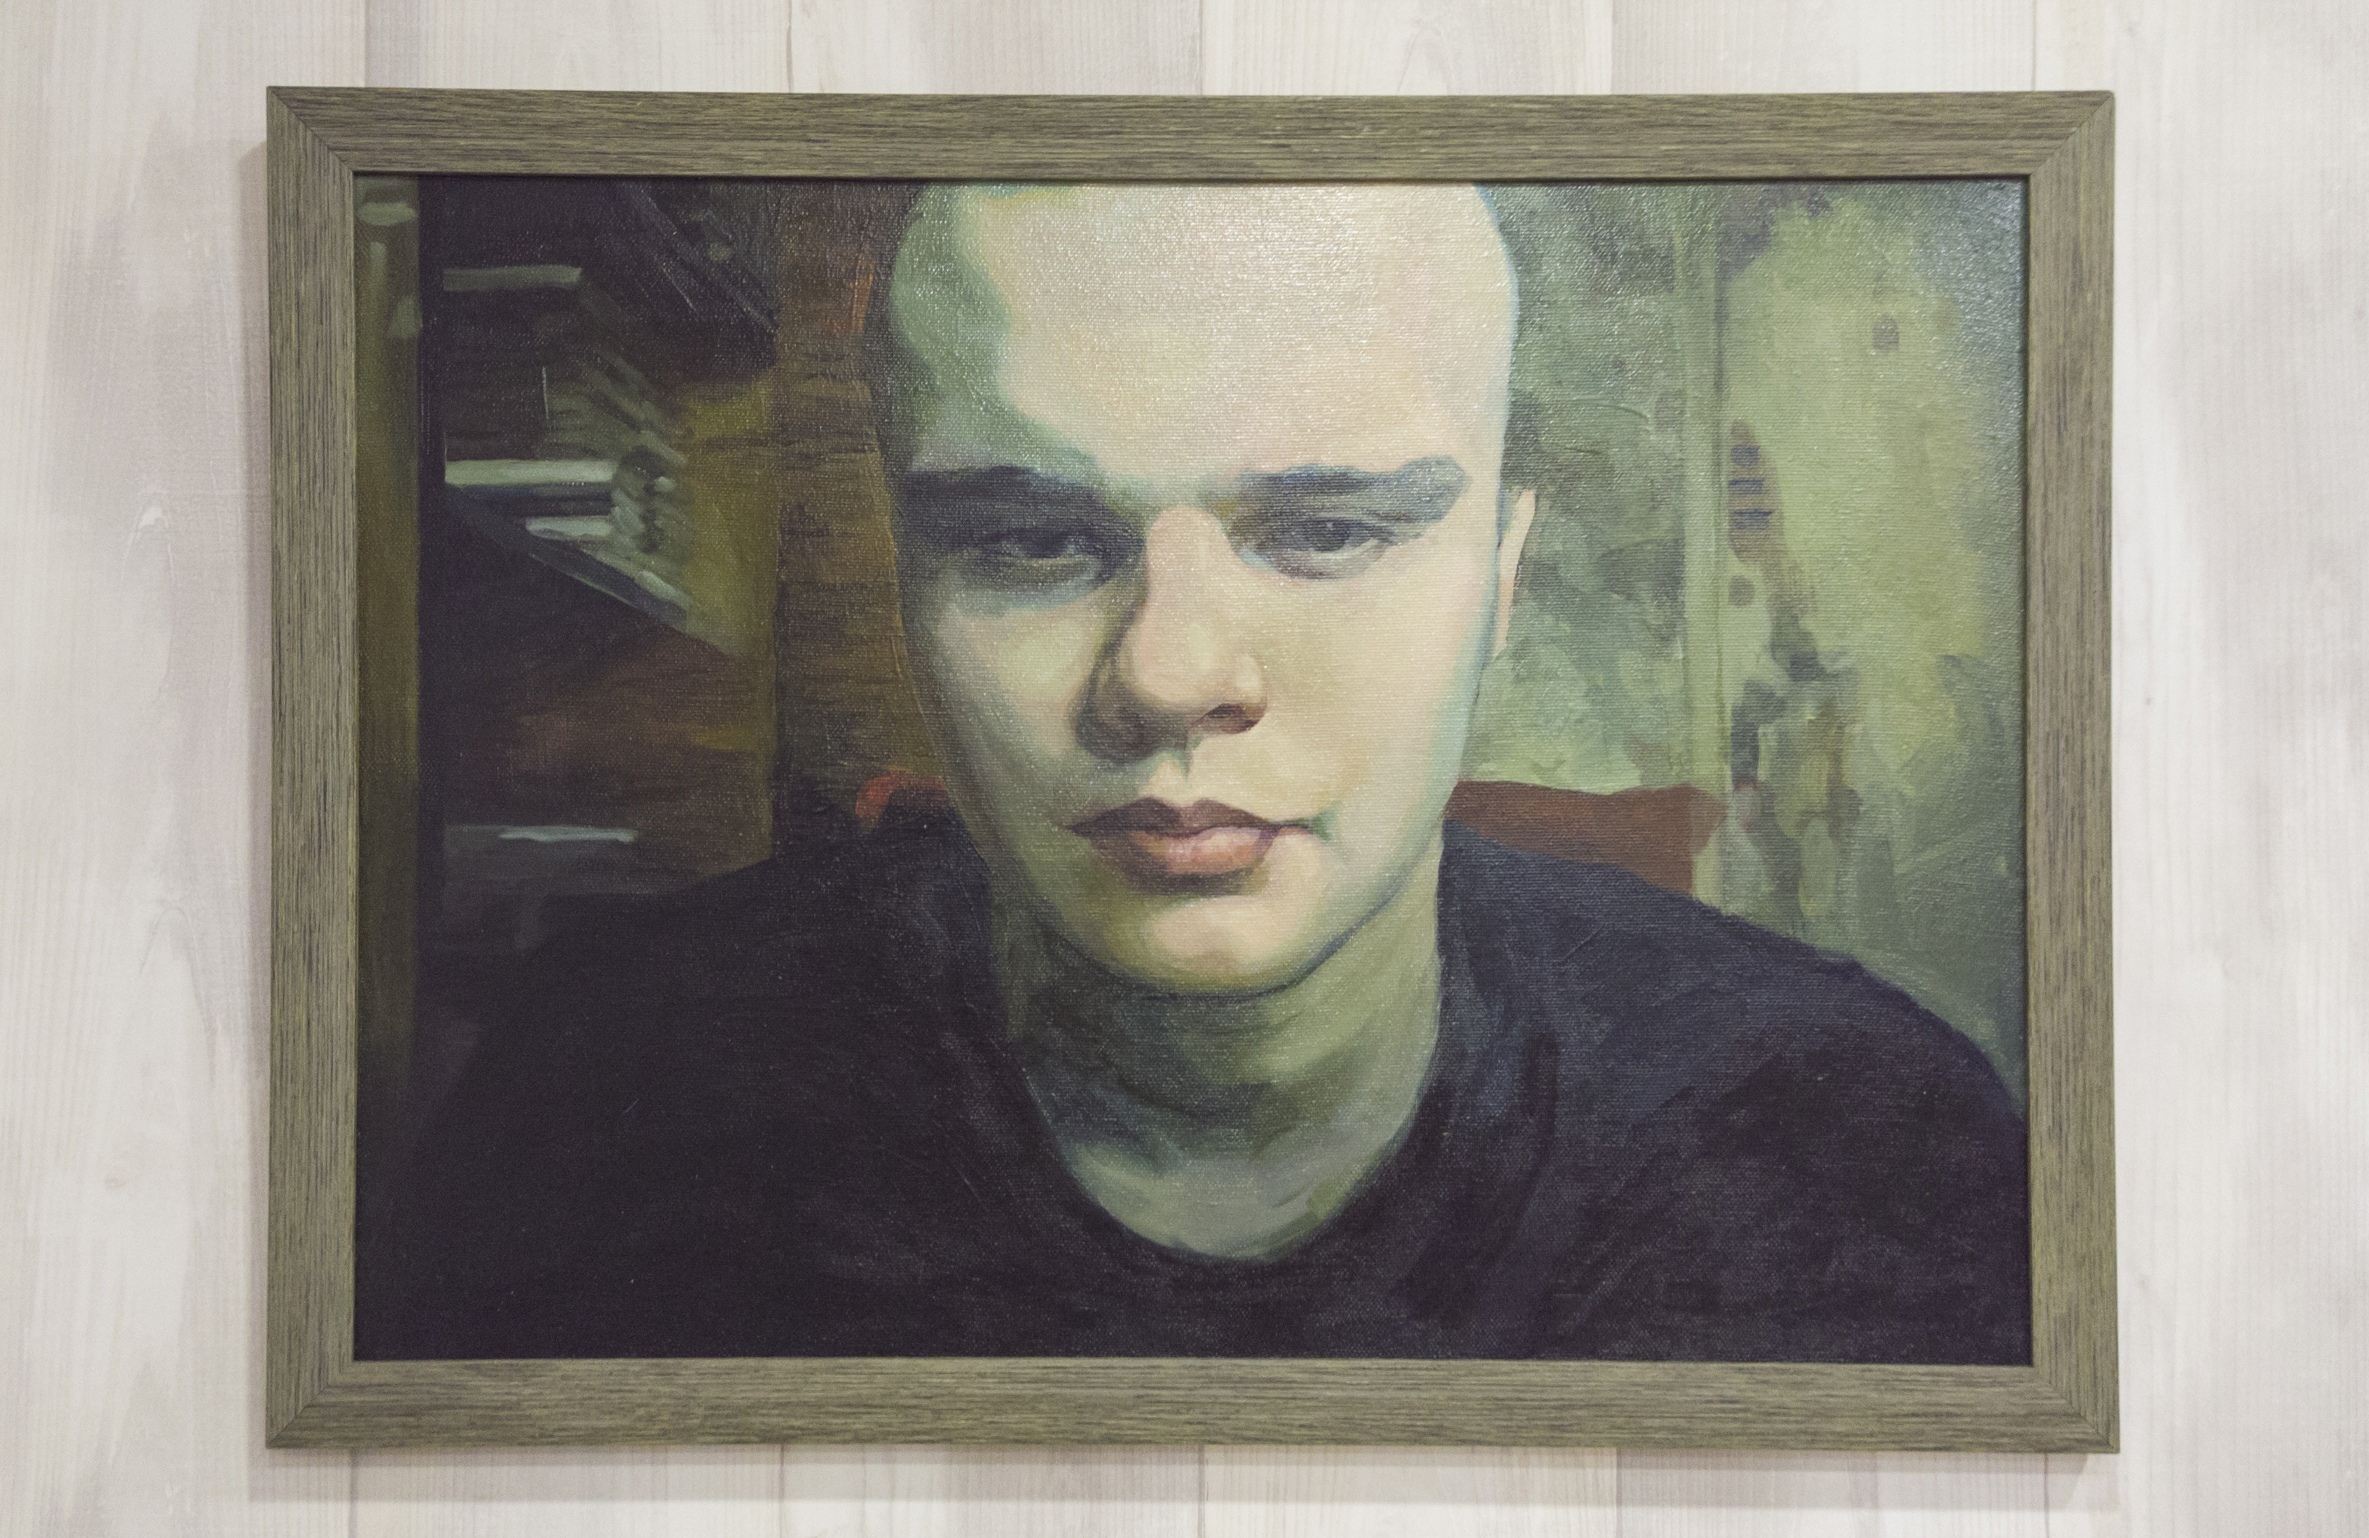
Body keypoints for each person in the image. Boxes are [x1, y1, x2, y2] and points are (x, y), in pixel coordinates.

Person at [369, 185, 2028, 1363]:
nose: (1168, 672)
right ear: (908, 580)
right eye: (1029, 539)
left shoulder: (1856, 1146)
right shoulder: (597, 1113)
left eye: (1327, 529)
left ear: (1504, 582)